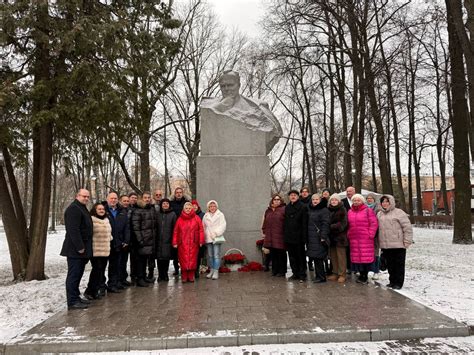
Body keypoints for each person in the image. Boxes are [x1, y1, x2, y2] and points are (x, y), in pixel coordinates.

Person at [201, 70, 282, 154]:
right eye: (223, 86)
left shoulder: (257, 106)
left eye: (230, 85)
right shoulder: (211, 107)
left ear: (239, 85)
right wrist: (222, 106)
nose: (226, 89)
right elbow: (209, 116)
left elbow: (275, 131)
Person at [60, 189, 93, 310]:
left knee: (78, 274)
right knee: (73, 275)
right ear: (77, 196)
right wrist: (80, 247)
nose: (86, 198)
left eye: (88, 196)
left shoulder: (81, 207)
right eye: (84, 196)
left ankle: (76, 297)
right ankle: (72, 301)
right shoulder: (74, 208)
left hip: (82, 250)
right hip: (75, 250)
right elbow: (73, 230)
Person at [377, 195, 413, 290]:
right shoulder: (379, 214)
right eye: (383, 202)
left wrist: (407, 241)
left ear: (391, 202)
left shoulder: (399, 213)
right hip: (385, 244)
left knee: (399, 265)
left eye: (387, 201)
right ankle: (392, 281)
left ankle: (398, 282)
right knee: (390, 264)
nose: (385, 203)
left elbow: (407, 228)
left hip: (398, 244)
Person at [347, 194, 378, 285]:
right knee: (357, 257)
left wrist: (370, 234)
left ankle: (365, 275)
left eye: (358, 200)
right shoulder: (350, 211)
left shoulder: (368, 210)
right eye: (354, 200)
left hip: (366, 238)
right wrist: (349, 234)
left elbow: (374, 223)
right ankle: (361, 274)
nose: (356, 202)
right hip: (354, 238)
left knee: (365, 257)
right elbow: (348, 224)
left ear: (362, 201)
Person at [85, 203, 112, 300]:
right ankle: (89, 290)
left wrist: (110, 238)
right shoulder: (92, 220)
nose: (101, 210)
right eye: (99, 209)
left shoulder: (106, 220)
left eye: (103, 209)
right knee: (96, 270)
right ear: (95, 210)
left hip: (105, 250)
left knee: (101, 271)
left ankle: (95, 290)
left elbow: (109, 233)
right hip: (95, 250)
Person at [104, 192, 130, 293]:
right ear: (107, 199)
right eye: (111, 198)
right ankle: (101, 286)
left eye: (115, 198)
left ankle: (113, 284)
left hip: (118, 243)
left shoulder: (122, 211)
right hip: (105, 243)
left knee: (115, 265)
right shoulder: (103, 210)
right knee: (101, 267)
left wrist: (126, 240)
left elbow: (126, 227)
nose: (113, 200)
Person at [172, 202, 205, 283]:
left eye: (189, 208)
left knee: (192, 259)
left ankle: (191, 275)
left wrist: (201, 241)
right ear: (183, 209)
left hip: (194, 243)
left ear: (192, 209)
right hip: (182, 243)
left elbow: (201, 230)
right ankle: (184, 276)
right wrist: (175, 242)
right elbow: (176, 231)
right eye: (186, 208)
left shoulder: (196, 218)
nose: (188, 210)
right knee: (183, 259)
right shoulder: (180, 219)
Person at [130, 192, 157, 287]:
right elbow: (135, 227)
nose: (147, 199)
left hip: (150, 240)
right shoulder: (138, 210)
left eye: (149, 197)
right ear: (141, 198)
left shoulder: (151, 209)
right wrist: (139, 240)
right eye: (145, 198)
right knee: (140, 261)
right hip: (142, 241)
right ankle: (139, 279)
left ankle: (144, 276)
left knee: (145, 260)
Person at [284, 189, 308, 283]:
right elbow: (285, 223)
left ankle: (302, 274)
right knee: (292, 256)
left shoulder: (302, 207)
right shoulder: (287, 207)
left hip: (299, 237)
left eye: (294, 195)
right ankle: (295, 273)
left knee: (300, 256)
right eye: (291, 195)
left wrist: (304, 238)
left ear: (298, 196)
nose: (293, 197)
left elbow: (304, 223)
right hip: (289, 237)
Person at [306, 194, 330, 283]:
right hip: (311, 237)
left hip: (319, 237)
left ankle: (321, 277)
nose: (315, 201)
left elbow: (325, 224)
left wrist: (323, 236)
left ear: (320, 200)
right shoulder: (310, 209)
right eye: (313, 199)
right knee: (315, 257)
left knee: (319, 257)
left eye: (317, 199)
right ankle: (319, 276)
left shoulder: (324, 210)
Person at [262, 194, 287, 277]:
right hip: (270, 236)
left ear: (281, 200)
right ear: (272, 201)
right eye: (275, 199)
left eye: (278, 199)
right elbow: (265, 222)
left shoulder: (284, 209)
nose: (276, 201)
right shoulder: (268, 210)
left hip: (280, 236)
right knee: (273, 254)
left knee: (281, 254)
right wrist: (264, 231)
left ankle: (282, 271)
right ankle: (275, 270)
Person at [326, 194, 348, 283]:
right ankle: (335, 273)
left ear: (338, 201)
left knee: (341, 257)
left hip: (340, 237)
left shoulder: (342, 209)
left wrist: (330, 226)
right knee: (333, 256)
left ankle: (342, 274)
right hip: (331, 237)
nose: (333, 201)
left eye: (335, 200)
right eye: (332, 200)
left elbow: (343, 224)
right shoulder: (328, 210)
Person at [203, 200, 227, 280]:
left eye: (214, 206)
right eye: (210, 206)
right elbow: (203, 226)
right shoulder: (206, 215)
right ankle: (212, 270)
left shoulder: (220, 215)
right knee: (210, 256)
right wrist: (204, 235)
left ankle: (216, 271)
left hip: (216, 237)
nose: (212, 208)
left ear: (216, 207)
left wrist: (216, 233)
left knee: (216, 255)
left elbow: (223, 225)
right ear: (208, 207)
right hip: (208, 237)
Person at [170, 186, 190, 275]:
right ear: (175, 194)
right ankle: (176, 268)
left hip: (185, 230)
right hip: (174, 229)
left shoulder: (186, 203)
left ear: (182, 193)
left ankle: (184, 268)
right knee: (175, 251)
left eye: (180, 192)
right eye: (177, 192)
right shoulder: (171, 203)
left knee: (184, 250)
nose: (178, 194)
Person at [155, 198, 177, 282]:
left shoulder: (172, 214)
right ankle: (160, 275)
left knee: (166, 258)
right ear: (161, 205)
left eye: (167, 203)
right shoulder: (157, 214)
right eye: (163, 203)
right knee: (159, 259)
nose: (165, 205)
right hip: (158, 240)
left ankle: (165, 274)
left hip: (168, 240)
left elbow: (175, 228)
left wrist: (173, 239)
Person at [366, 193, 381, 280]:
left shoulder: (378, 209)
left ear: (374, 199)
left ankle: (376, 271)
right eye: (368, 198)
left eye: (371, 198)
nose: (369, 200)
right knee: (367, 253)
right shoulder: (364, 208)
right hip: (366, 234)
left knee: (375, 253)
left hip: (376, 234)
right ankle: (368, 269)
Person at [118, 194, 132, 287]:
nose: (126, 202)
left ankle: (123, 279)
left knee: (124, 261)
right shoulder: (118, 211)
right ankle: (118, 280)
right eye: (124, 201)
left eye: (127, 201)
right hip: (119, 240)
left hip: (127, 240)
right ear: (120, 201)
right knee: (118, 262)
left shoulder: (129, 210)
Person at [342, 186, 356, 272]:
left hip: (356, 229)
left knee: (355, 249)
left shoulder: (358, 200)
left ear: (354, 192)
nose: (348, 193)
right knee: (347, 248)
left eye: (350, 191)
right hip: (345, 229)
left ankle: (355, 266)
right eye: (347, 191)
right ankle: (348, 266)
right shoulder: (342, 202)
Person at [192, 199, 206, 279]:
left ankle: (197, 270)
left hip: (199, 238)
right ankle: (192, 270)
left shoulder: (202, 215)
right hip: (191, 240)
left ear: (198, 206)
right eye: (192, 206)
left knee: (198, 256)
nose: (194, 207)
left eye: (195, 206)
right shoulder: (189, 215)